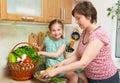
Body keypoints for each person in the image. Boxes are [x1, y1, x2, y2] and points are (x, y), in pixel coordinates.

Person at [41, 1, 120, 83]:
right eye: (75, 19)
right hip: (91, 77)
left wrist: (57, 71)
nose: (76, 22)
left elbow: (83, 63)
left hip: (106, 79)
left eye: (78, 18)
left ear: (89, 17)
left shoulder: (98, 35)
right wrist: (62, 63)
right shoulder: (84, 31)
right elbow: (77, 55)